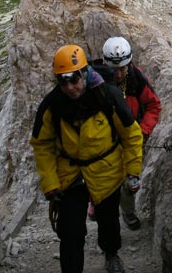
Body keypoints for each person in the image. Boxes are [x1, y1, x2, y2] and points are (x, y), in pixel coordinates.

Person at [30, 44, 143, 273]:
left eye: (74, 79)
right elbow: (41, 145)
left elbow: (131, 134)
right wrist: (50, 184)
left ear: (84, 73)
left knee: (109, 220)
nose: (70, 87)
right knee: (70, 230)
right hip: (71, 175)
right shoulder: (53, 105)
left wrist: (133, 171)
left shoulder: (107, 95)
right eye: (63, 81)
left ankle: (111, 253)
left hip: (106, 170)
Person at [93, 36, 161, 230]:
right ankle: (97, 206)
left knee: (130, 181)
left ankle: (128, 212)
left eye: (123, 68)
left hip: (130, 138)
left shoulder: (135, 78)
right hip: (105, 141)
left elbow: (153, 105)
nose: (119, 73)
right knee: (101, 176)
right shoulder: (95, 85)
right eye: (115, 70)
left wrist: (142, 131)